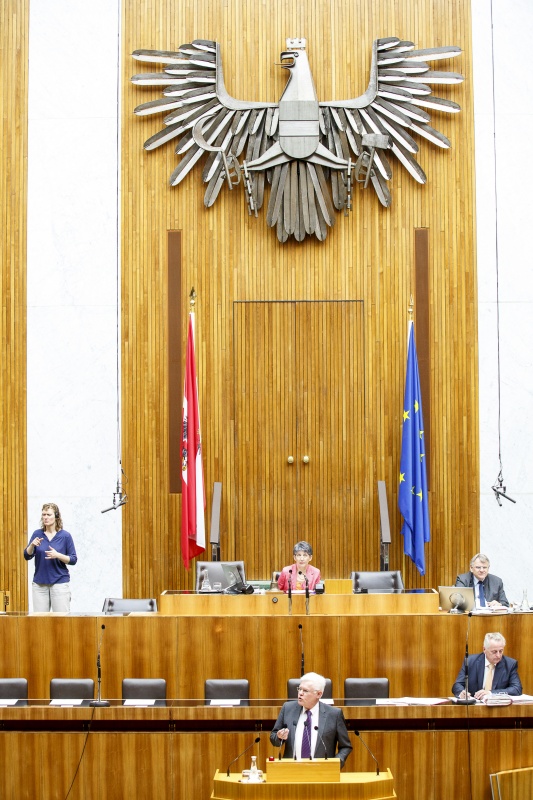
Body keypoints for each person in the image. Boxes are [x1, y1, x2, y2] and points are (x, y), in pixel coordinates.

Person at [270, 672, 352, 766]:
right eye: (299, 689)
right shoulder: (287, 708)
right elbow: (274, 738)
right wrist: (279, 737)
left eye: (305, 691)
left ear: (319, 694)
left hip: (321, 772)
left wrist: (335, 764)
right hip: (291, 770)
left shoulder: (334, 714)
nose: (300, 693)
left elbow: (345, 747)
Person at [24, 502, 77, 612]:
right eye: (44, 515)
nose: (45, 517)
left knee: (61, 620)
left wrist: (57, 555)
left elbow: (73, 559)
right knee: (40, 622)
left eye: (49, 515)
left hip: (60, 583)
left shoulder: (65, 536)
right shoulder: (37, 534)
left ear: (56, 516)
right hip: (39, 585)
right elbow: (27, 555)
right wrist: (32, 545)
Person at [452, 632, 522, 700]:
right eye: (494, 652)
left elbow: (517, 689)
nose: (498, 655)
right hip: (475, 706)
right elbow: (457, 685)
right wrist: (461, 692)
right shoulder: (470, 661)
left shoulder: (510, 664)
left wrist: (490, 693)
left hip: (499, 708)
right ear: (484, 649)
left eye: (501, 651)